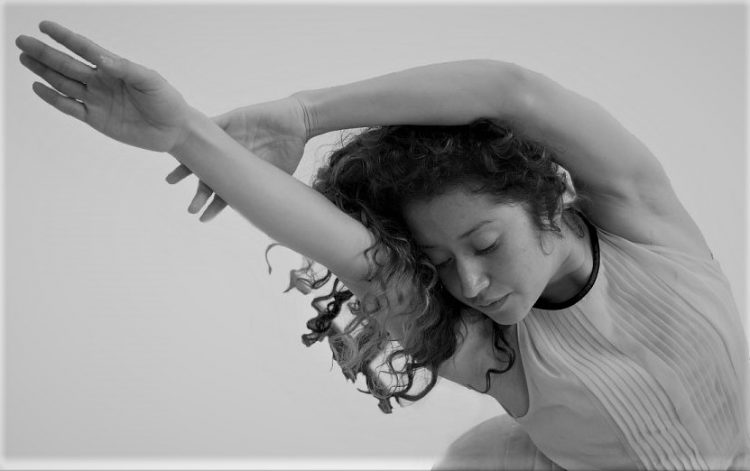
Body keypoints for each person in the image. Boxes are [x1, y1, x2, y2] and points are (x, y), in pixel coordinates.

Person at [15, 20, 749, 470]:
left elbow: (513, 92)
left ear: (553, 198)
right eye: (440, 263)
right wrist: (185, 134)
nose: (469, 283)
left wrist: (304, 113)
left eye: (485, 242)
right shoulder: (494, 353)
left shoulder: (644, 222)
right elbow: (354, 255)